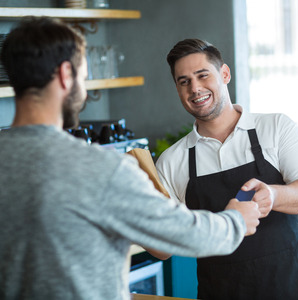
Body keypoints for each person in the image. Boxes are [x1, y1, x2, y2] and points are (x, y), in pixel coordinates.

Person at [0, 18, 261, 300]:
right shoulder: (99, 168)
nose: (84, 90)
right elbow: (183, 233)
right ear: (66, 75)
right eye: (83, 76)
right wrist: (235, 220)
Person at [156, 38, 298, 300]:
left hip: (295, 291)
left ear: (225, 74)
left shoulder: (276, 128)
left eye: (203, 75)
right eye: (184, 81)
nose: (195, 88)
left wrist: (273, 195)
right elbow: (162, 250)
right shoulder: (172, 161)